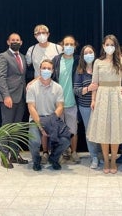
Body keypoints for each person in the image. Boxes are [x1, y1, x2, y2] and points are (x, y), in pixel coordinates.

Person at [87, 34, 122, 174]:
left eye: (112, 45)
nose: (109, 47)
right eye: (107, 44)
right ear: (103, 46)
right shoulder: (98, 62)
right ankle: (106, 160)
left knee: (115, 130)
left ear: (116, 46)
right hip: (102, 95)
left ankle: (113, 160)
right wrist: (93, 100)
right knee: (103, 130)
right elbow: (94, 83)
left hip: (116, 97)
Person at [25, 24, 62, 164]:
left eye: (43, 32)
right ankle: (44, 152)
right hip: (38, 89)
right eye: (38, 33)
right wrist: (32, 82)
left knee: (53, 120)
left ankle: (55, 153)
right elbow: (29, 67)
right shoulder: (31, 50)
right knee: (40, 117)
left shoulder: (57, 48)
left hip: (54, 88)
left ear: (48, 33)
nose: (41, 34)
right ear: (34, 36)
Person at [26, 59, 70, 171]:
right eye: (44, 68)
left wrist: (51, 122)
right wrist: (41, 127)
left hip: (52, 119)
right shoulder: (32, 87)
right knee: (34, 141)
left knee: (65, 140)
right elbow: (31, 108)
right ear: (40, 70)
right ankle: (36, 161)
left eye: (49, 69)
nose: (46, 70)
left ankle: (53, 158)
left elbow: (60, 106)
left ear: (53, 71)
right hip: (36, 120)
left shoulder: (58, 87)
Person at [0, 33, 28, 168]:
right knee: (6, 128)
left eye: (17, 40)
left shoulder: (22, 57)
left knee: (16, 128)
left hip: (21, 97)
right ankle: (4, 157)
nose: (15, 42)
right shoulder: (3, 57)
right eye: (13, 40)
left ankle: (15, 155)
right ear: (8, 42)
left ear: (21, 42)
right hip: (9, 98)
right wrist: (6, 96)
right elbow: (1, 77)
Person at [52, 35, 80, 163]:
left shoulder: (79, 60)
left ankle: (74, 152)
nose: (68, 46)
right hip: (58, 103)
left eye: (71, 44)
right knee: (59, 131)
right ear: (62, 46)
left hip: (73, 102)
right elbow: (48, 75)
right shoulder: (56, 60)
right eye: (66, 44)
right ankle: (63, 153)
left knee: (73, 130)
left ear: (75, 46)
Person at [74, 45, 102, 169]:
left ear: (94, 54)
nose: (88, 55)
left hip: (101, 106)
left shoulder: (100, 69)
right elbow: (76, 90)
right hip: (85, 107)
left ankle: (102, 155)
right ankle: (94, 157)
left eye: (90, 52)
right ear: (82, 56)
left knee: (101, 131)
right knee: (89, 132)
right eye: (86, 53)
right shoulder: (80, 71)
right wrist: (88, 89)